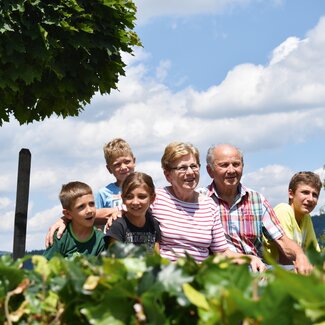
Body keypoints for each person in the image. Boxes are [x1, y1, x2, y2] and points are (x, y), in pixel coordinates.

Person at [203, 143, 313, 274]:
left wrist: (300, 256)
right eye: (224, 165)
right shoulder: (200, 200)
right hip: (220, 269)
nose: (231, 170)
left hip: (258, 268)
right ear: (210, 171)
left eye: (236, 164)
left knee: (306, 277)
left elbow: (282, 239)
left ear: (242, 167)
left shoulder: (256, 200)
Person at [149, 141, 263, 268]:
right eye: (182, 168)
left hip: (201, 276)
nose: (190, 172)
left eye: (194, 166)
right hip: (167, 274)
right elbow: (130, 206)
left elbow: (221, 252)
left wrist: (249, 258)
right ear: (168, 175)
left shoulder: (209, 205)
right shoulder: (155, 198)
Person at [265, 171, 322, 264]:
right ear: (291, 194)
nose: (311, 199)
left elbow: (315, 255)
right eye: (305, 192)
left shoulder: (306, 217)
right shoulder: (284, 210)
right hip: (271, 271)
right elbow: (285, 256)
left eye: (315, 195)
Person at [43, 181, 108, 259]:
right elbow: (45, 267)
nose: (89, 210)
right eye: (81, 207)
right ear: (68, 214)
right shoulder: (60, 238)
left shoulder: (101, 240)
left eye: (91, 204)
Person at [107, 172, 160, 253]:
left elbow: (157, 258)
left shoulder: (154, 224)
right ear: (123, 199)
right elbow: (113, 261)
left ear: (152, 198)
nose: (135, 202)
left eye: (141, 197)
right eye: (129, 197)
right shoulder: (118, 227)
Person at [95, 138, 136, 225]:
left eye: (127, 162)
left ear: (134, 161)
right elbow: (95, 216)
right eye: (117, 164)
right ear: (109, 169)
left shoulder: (144, 188)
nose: (124, 167)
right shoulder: (103, 193)